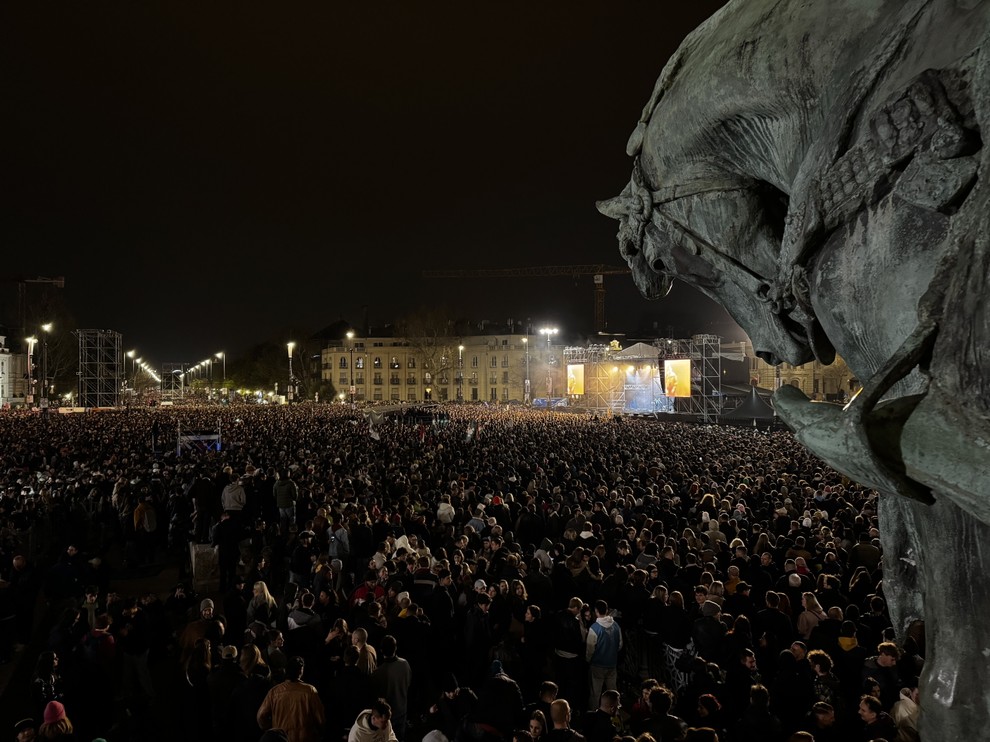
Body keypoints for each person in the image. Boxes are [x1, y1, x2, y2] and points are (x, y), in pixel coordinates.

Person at [256, 656, 326, 742]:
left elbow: (261, 716)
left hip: (281, 739)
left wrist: (273, 728)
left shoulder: (274, 692)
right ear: (301, 671)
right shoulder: (310, 691)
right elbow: (320, 719)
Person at [372, 635, 412, 741]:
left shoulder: (378, 673)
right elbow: (408, 684)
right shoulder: (405, 664)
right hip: (402, 711)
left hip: (386, 717)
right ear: (395, 648)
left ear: (381, 650)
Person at [585, 600, 622, 710]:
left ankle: (594, 714)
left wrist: (588, 660)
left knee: (595, 693)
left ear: (596, 611)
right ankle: (615, 713)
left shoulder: (594, 628)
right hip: (612, 664)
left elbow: (590, 649)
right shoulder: (616, 626)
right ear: (607, 610)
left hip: (597, 665)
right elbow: (620, 644)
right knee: (613, 691)